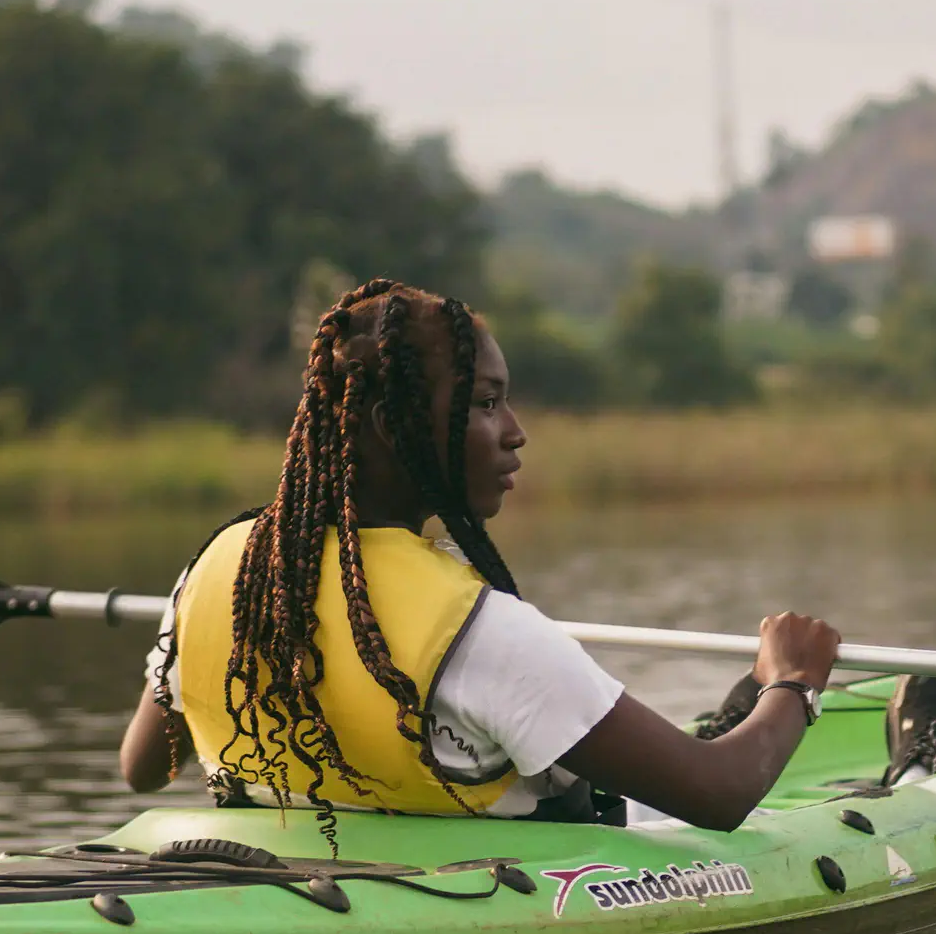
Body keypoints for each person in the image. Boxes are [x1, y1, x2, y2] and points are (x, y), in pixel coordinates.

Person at [118, 277, 842, 832]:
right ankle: (798, 710)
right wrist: (794, 682)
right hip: (564, 857)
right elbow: (719, 795)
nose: (516, 432)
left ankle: (733, 712)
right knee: (905, 716)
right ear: (390, 427)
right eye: (486, 402)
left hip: (300, 863)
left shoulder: (221, 568)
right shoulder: (477, 629)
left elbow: (143, 768)